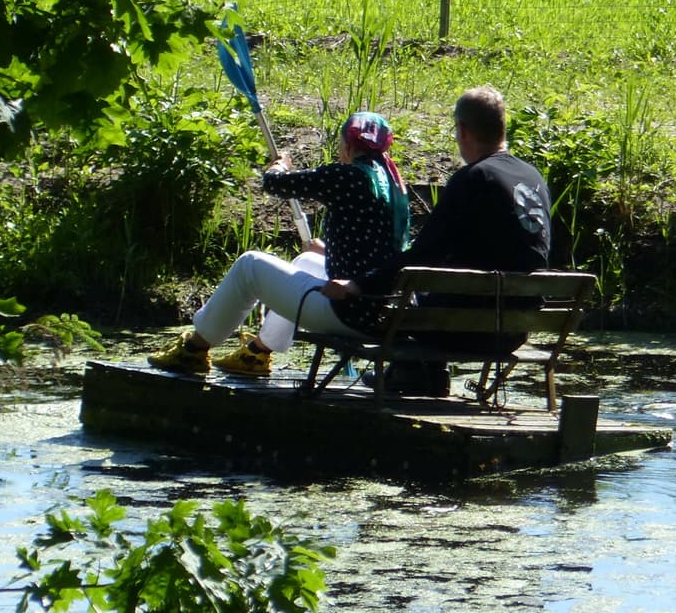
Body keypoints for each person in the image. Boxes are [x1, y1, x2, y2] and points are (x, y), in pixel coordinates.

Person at [321, 85, 552, 393]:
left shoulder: (473, 178)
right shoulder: (532, 177)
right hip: (516, 329)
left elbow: (423, 254)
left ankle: (413, 373)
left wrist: (359, 284)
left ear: (463, 130)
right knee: (439, 291)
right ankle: (419, 374)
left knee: (410, 302)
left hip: (467, 328)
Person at [147, 111, 410, 376]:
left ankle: (193, 349)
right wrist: (329, 251)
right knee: (306, 262)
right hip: (379, 310)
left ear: (348, 146)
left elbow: (275, 184)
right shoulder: (394, 184)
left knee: (250, 265)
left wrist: (280, 165)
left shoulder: (349, 176)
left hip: (348, 311)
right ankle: (257, 353)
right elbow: (378, 250)